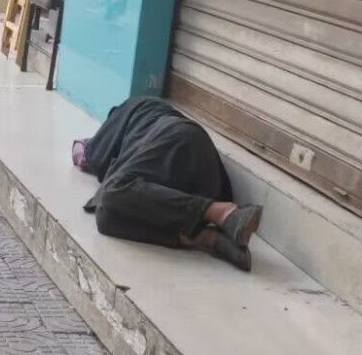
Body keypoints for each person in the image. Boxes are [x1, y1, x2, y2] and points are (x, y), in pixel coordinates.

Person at [73, 96, 261, 271]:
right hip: (204, 183)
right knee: (105, 216)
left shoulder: (131, 109)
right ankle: (206, 237)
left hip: (178, 142)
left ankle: (222, 213)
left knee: (113, 192)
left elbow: (94, 156)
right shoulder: (148, 118)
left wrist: (80, 145)